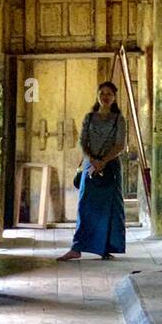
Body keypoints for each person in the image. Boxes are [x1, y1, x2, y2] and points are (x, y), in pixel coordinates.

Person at [57, 81, 127, 261]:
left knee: (109, 208)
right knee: (85, 205)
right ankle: (77, 247)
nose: (105, 97)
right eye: (102, 93)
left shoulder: (119, 119)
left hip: (110, 166)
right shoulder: (89, 117)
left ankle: (105, 248)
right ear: (97, 95)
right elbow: (83, 141)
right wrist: (93, 160)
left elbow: (120, 145)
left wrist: (103, 161)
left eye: (109, 94)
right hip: (90, 164)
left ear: (114, 98)